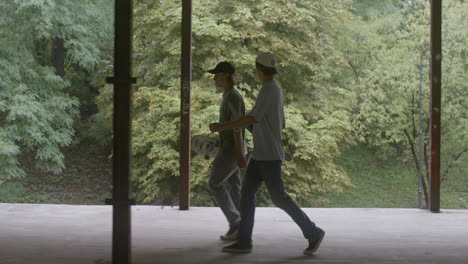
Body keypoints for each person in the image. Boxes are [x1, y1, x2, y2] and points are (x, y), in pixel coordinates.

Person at [209, 52, 325, 255]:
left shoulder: (269, 90)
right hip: (261, 154)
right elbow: (278, 122)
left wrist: (222, 126)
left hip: (269, 156)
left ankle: (313, 232)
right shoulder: (274, 90)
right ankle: (244, 242)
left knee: (279, 198)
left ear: (259, 69)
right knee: (246, 196)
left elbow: (251, 118)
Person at [207, 61, 248, 241]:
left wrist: (239, 154)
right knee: (234, 188)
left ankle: (236, 221)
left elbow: (237, 127)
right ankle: (242, 227)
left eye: (217, 74)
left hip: (232, 150)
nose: (215, 78)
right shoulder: (228, 95)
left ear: (226, 76)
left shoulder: (232, 97)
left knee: (214, 183)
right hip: (231, 148)